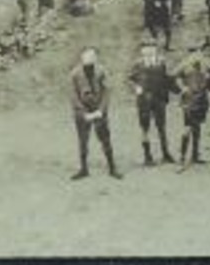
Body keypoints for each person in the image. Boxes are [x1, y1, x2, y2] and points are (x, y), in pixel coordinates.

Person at [69, 47, 123, 181]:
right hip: (83, 113)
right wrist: (83, 113)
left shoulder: (101, 71)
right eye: (87, 57)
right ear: (81, 58)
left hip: (99, 111)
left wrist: (101, 110)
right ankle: (83, 169)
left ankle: (112, 168)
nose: (90, 59)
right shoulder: (75, 74)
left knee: (106, 140)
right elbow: (73, 96)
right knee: (83, 141)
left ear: (96, 58)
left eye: (92, 57)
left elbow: (106, 92)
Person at [127, 40, 175, 168]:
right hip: (144, 101)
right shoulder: (138, 64)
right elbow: (129, 79)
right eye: (146, 48)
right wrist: (136, 87)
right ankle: (147, 156)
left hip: (159, 100)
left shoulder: (161, 62)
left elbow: (167, 79)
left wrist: (178, 91)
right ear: (142, 50)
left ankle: (166, 154)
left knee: (161, 127)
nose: (149, 50)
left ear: (155, 49)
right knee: (145, 128)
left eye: (152, 47)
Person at [172, 38, 210, 171]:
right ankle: (182, 158)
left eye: (198, 50)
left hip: (201, 99)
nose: (196, 53)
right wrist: (182, 88)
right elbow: (172, 76)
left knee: (197, 127)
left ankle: (195, 155)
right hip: (189, 100)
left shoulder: (205, 63)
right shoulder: (184, 64)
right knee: (188, 127)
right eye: (193, 51)